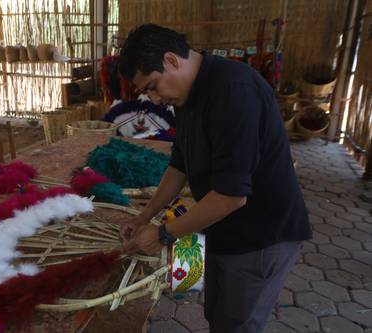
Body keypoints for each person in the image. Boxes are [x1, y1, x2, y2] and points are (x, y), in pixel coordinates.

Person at [118, 24, 312, 333]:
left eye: (153, 86)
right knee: (219, 316)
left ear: (171, 60)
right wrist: (145, 216)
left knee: (238, 325)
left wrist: (163, 234)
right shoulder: (186, 95)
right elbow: (178, 167)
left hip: (260, 237)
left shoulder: (234, 91)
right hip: (223, 228)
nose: (154, 99)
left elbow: (231, 196)